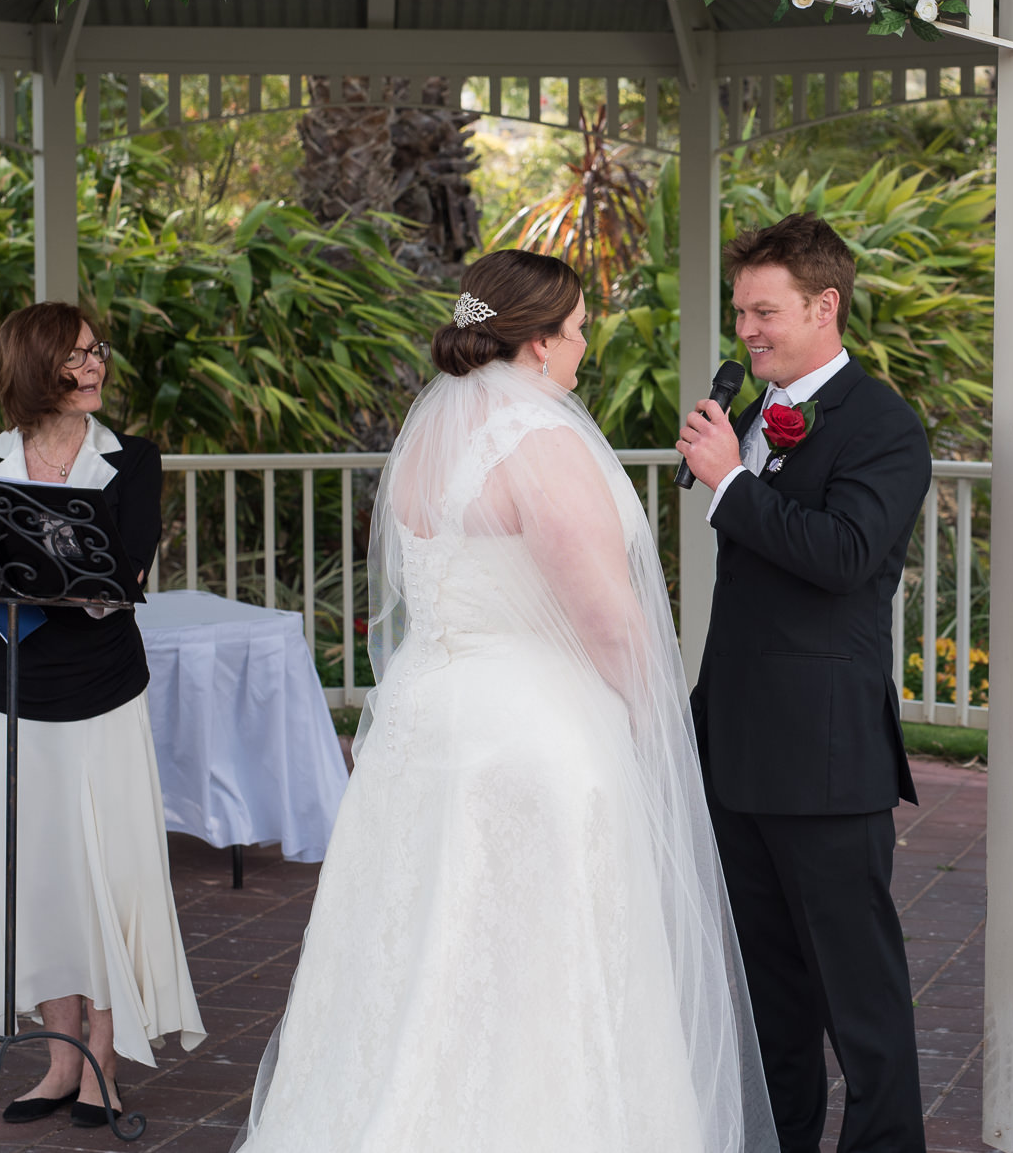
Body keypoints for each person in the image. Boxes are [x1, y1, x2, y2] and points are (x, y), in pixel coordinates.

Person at [235, 250, 776, 1153]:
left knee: (420, 965)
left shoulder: (428, 443)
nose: (581, 353)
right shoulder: (544, 441)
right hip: (534, 740)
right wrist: (656, 725)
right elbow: (606, 617)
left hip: (425, 723)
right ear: (532, 343)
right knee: (535, 977)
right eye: (573, 335)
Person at [675, 213, 932, 1153]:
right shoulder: (754, 413)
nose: (746, 329)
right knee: (768, 991)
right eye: (740, 311)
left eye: (763, 310)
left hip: (825, 759)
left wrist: (731, 486)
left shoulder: (885, 425)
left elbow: (846, 555)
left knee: (857, 997)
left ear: (825, 305)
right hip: (737, 746)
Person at [0, 301, 204, 1128]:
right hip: (13, 696)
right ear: (34, 366)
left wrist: (75, 582)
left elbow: (122, 575)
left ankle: (104, 1065)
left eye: (97, 353)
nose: (94, 367)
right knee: (39, 871)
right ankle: (58, 1063)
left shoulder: (131, 461)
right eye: (77, 356)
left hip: (102, 692)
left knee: (111, 875)